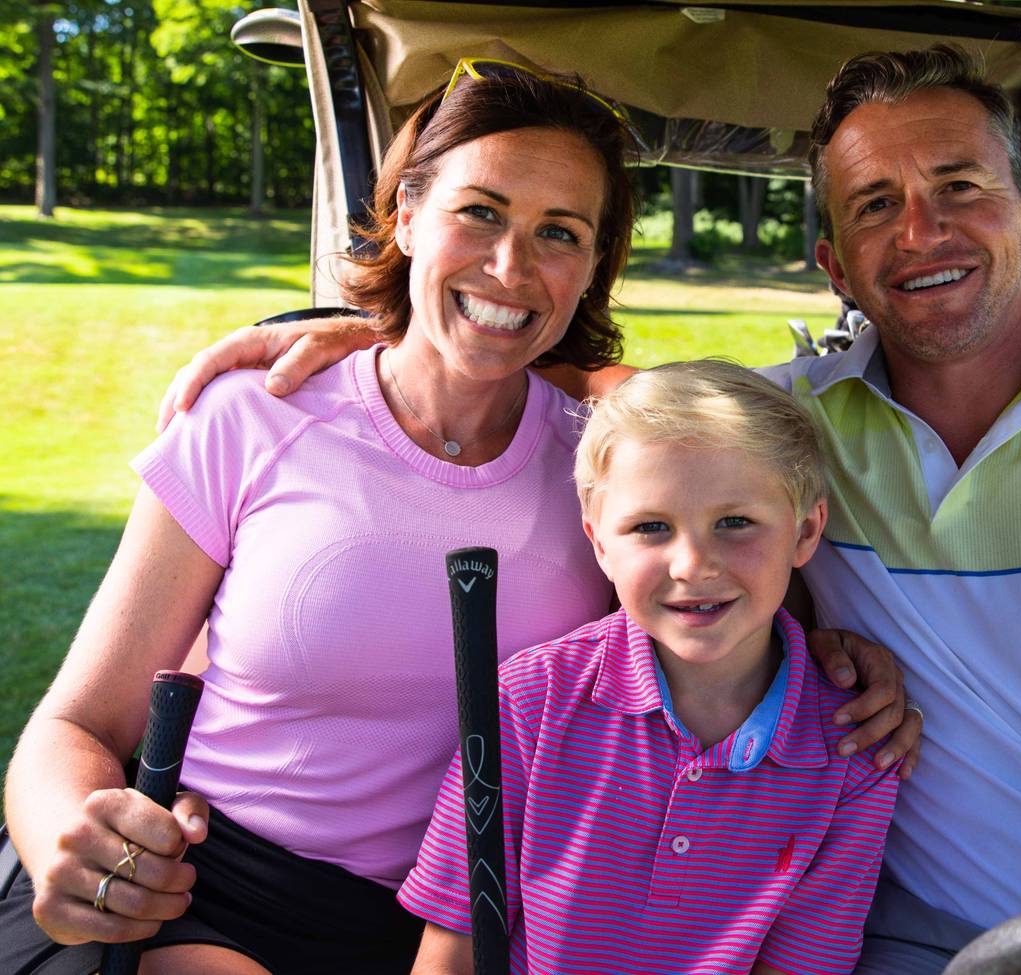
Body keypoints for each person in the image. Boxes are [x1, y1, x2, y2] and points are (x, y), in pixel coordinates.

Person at [165, 45, 1021, 974]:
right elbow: (648, 422)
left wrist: (416, 322)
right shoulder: (793, 425)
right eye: (877, 205)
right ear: (834, 266)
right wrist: (394, 336)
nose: (923, 230)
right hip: (931, 953)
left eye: (961, 186)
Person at [1, 59, 917, 975]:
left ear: (594, 265)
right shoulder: (255, 416)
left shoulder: (611, 471)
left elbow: (733, 532)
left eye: (558, 232)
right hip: (213, 889)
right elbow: (77, 725)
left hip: (478, 921)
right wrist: (72, 848)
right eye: (479, 212)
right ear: (407, 214)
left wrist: (841, 651)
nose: (511, 265)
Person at [402, 360, 902, 974]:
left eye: (735, 522)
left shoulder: (855, 747)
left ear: (805, 531)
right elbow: (451, 952)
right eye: (651, 527)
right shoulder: (530, 701)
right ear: (599, 542)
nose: (693, 564)